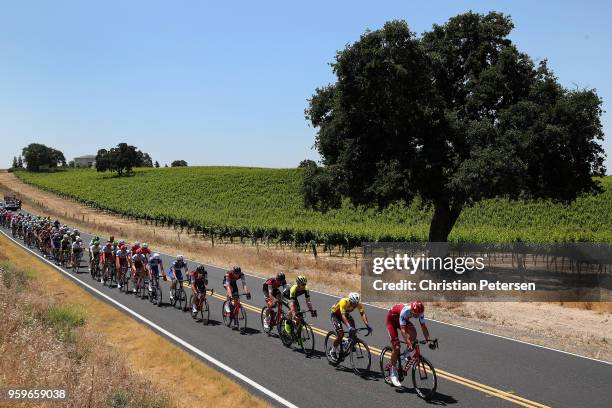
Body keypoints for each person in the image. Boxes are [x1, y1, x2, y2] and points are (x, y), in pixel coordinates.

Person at [386, 300, 433, 387]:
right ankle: (393, 374)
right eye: (415, 314)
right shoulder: (405, 311)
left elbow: (423, 326)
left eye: (418, 315)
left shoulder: (420, 312)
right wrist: (408, 343)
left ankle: (404, 355)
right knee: (396, 347)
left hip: (401, 320)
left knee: (414, 334)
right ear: (412, 310)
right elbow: (403, 331)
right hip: (392, 320)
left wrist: (428, 340)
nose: (417, 316)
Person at [329, 292, 372, 360]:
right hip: (336, 314)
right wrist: (349, 327)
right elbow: (343, 316)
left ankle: (348, 343)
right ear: (350, 301)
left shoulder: (358, 303)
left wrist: (367, 324)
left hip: (345, 314)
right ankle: (333, 351)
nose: (354, 306)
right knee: (341, 334)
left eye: (356, 304)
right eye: (353, 304)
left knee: (354, 330)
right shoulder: (344, 301)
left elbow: (362, 314)